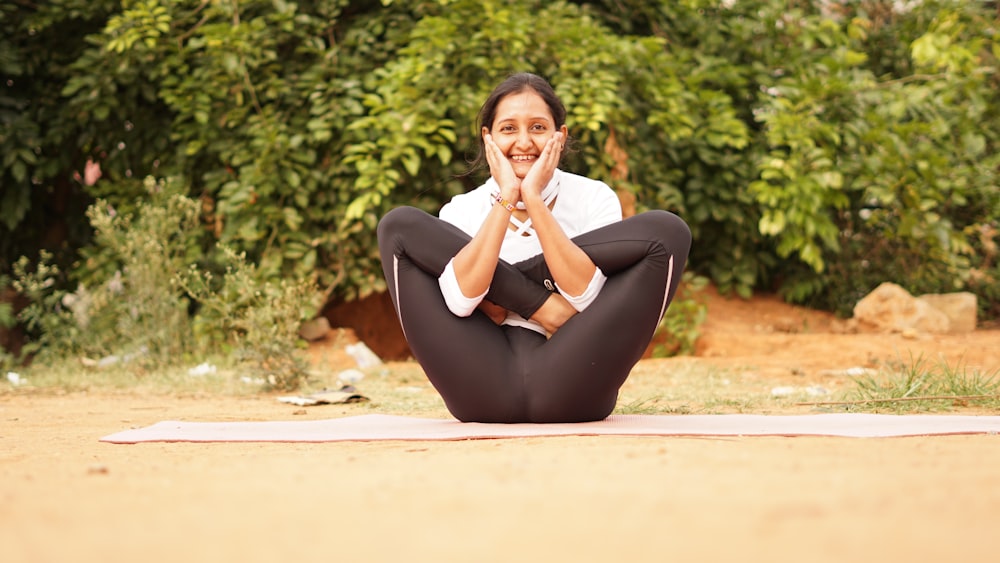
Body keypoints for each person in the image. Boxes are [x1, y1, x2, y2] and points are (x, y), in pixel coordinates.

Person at [377, 72, 691, 423]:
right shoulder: (462, 209)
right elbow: (464, 300)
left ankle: (522, 284)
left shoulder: (593, 197)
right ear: (488, 138)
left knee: (668, 231)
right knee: (399, 226)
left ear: (560, 135)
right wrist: (509, 198)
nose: (524, 142)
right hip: (482, 389)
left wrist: (533, 201)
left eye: (538, 128)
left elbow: (585, 296)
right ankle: (538, 294)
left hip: (573, 385)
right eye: (509, 129)